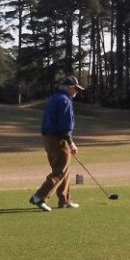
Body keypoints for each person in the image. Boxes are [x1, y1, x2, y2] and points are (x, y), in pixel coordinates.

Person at [29, 75, 85, 211]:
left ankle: (65, 200)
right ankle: (40, 196)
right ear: (69, 87)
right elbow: (65, 126)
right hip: (59, 139)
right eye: (75, 89)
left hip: (48, 138)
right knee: (60, 170)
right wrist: (71, 143)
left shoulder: (53, 99)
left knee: (63, 169)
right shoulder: (64, 101)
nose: (76, 92)